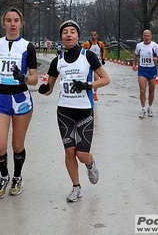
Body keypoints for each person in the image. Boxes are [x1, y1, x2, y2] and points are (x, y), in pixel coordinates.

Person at [38, 20, 110, 202]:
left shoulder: (88, 56)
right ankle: (76, 187)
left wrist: (88, 84)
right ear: (61, 37)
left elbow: (105, 79)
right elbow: (49, 89)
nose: (68, 35)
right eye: (65, 32)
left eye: (72, 32)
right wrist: (42, 88)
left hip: (85, 111)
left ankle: (90, 163)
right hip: (64, 112)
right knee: (69, 152)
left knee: (81, 154)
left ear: (78, 36)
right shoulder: (58, 60)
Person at [0, 7, 38, 199]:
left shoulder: (28, 47)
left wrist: (22, 77)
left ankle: (17, 176)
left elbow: (35, 79)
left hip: (21, 99)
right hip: (0, 98)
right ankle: (4, 176)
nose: (12, 24)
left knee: (17, 144)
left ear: (21, 23)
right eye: (9, 20)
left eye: (16, 20)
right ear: (4, 23)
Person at [132, 29, 158, 118]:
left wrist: (157, 59)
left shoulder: (155, 46)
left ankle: (150, 107)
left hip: (152, 69)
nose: (146, 37)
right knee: (142, 90)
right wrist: (134, 64)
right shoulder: (139, 45)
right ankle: (143, 109)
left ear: (151, 36)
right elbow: (135, 55)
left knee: (151, 90)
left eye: (148, 36)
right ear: (143, 36)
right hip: (142, 69)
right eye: (145, 35)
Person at [82, 30, 106, 101]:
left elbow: (103, 50)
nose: (93, 37)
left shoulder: (100, 43)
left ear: (97, 35)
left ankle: (95, 93)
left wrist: (103, 59)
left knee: (96, 78)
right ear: (90, 35)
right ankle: (88, 92)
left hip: (97, 63)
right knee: (88, 79)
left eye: (94, 35)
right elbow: (82, 52)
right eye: (92, 35)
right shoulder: (87, 43)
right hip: (88, 64)